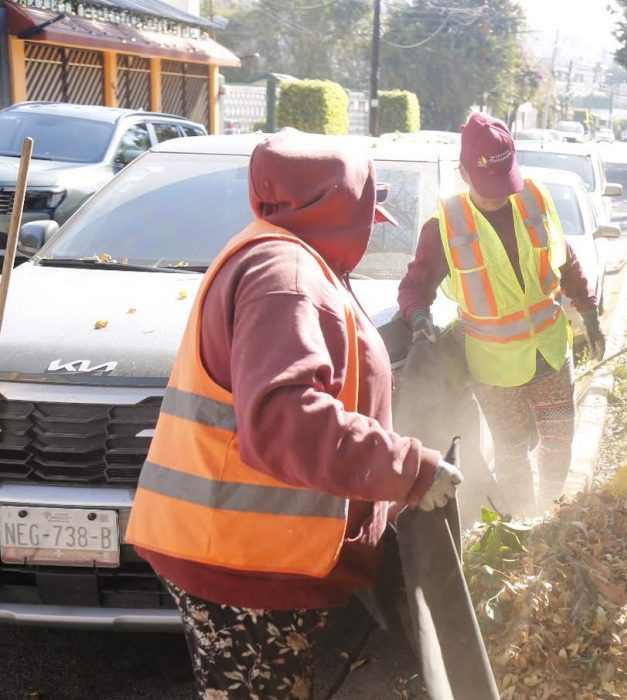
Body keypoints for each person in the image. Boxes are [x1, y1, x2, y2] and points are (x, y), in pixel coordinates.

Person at [125, 129, 462, 699]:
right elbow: (286, 418)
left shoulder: (281, 255)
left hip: (245, 551)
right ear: (336, 205)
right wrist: (409, 468)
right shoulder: (288, 276)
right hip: (245, 561)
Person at [398, 112, 606, 516]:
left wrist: (590, 311)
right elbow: (414, 287)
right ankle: (524, 519)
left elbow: (565, 261)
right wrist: (418, 317)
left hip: (549, 348)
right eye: (486, 186)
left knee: (560, 439)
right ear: (462, 172)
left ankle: (552, 511)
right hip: (493, 367)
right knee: (511, 450)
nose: (497, 195)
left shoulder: (535, 199)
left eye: (503, 184)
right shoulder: (444, 225)